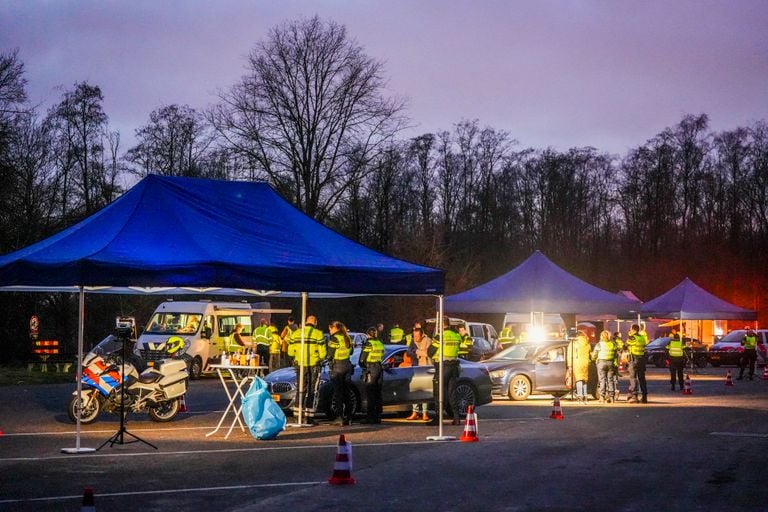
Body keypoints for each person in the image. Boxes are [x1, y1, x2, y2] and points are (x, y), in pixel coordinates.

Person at [288, 315, 326, 421]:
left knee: (300, 389)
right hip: (313, 364)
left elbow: (290, 351)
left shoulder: (296, 334)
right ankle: (309, 417)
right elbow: (323, 353)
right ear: (315, 322)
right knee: (311, 390)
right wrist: (320, 358)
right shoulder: (318, 334)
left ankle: (297, 416)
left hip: (300, 364)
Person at [427, 317, 462, 425]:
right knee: (452, 393)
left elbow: (431, 352)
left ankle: (438, 418)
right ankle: (456, 418)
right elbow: (464, 349)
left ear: (441, 325)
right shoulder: (457, 336)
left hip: (443, 366)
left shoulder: (440, 336)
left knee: (439, 392)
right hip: (454, 366)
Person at [327, 321, 354, 425]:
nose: (330, 331)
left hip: (338, 366)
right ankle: (349, 417)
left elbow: (329, 355)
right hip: (347, 365)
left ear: (335, 328)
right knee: (347, 393)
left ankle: (339, 417)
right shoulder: (347, 338)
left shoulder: (334, 338)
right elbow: (351, 352)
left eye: (330, 329)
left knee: (338, 393)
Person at [359, 326, 385, 424]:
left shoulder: (368, 343)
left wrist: (363, 366)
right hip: (379, 368)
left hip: (371, 368)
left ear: (368, 334)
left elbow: (362, 359)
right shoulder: (380, 343)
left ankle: (370, 417)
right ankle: (378, 416)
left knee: (370, 393)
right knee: (378, 393)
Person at [406, 326, 432, 420]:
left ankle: (425, 413)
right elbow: (409, 352)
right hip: (415, 367)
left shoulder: (428, 340)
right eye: (414, 336)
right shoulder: (413, 341)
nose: (415, 338)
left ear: (422, 335)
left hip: (425, 368)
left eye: (417, 336)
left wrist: (416, 351)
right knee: (415, 390)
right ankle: (415, 412)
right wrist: (417, 353)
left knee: (425, 391)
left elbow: (427, 353)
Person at [591, 330, 617, 403]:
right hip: (611, 363)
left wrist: (593, 358)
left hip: (601, 363)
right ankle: (611, 397)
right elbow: (616, 354)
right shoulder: (613, 344)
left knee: (602, 380)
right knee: (610, 380)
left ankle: (602, 397)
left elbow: (594, 355)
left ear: (601, 336)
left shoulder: (599, 344)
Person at [625, 324, 648, 403]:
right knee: (642, 378)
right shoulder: (642, 338)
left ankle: (634, 396)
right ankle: (644, 396)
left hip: (634, 359)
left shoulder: (632, 337)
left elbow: (625, 346)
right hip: (641, 359)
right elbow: (644, 346)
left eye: (631, 329)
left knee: (633, 378)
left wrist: (629, 336)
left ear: (633, 330)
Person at [567, 330, 591, 404]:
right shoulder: (587, 343)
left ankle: (580, 396)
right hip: (586, 362)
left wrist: (569, 365)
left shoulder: (573, 343)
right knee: (585, 380)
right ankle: (585, 396)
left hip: (577, 362)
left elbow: (570, 355)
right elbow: (590, 352)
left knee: (578, 379)